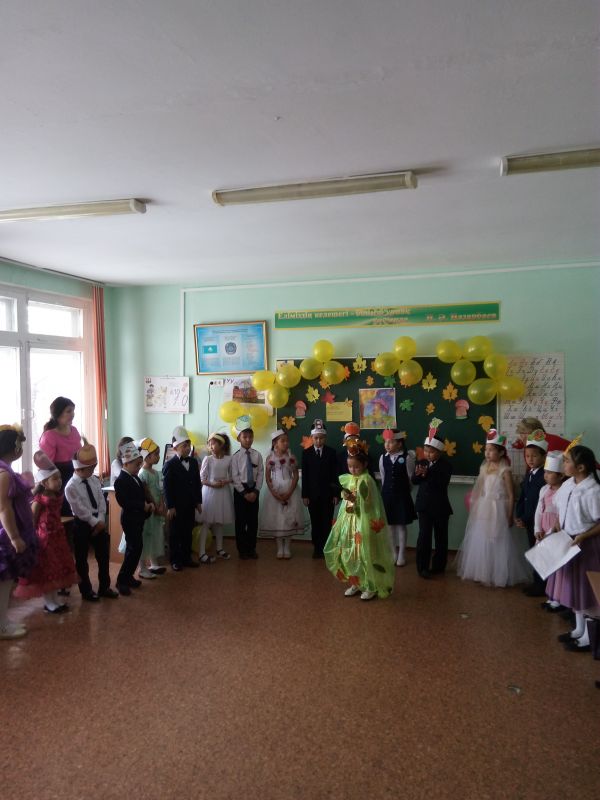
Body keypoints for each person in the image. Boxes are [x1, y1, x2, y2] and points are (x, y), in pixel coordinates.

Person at [456, 429, 530, 587]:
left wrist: (509, 515)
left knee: (498, 538)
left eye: (491, 450)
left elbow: (511, 495)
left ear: (501, 452)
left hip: (499, 509)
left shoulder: (505, 470)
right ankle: (482, 571)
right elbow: (479, 490)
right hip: (485, 508)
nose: (487, 453)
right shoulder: (484, 468)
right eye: (486, 450)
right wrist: (476, 508)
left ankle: (499, 574)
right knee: (482, 537)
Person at [324, 448, 395, 601]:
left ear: (364, 464)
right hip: (349, 521)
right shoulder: (350, 478)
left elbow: (369, 503)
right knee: (351, 554)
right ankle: (356, 582)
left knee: (365, 554)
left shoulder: (366, 480)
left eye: (356, 467)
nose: (353, 470)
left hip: (363, 522)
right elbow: (347, 500)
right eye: (350, 466)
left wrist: (355, 499)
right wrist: (346, 495)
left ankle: (371, 586)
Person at [13, 451, 77, 613]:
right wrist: (31, 538)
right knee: (48, 571)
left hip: (57, 537)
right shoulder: (39, 500)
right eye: (55, 479)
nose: (60, 481)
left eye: (60, 478)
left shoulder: (57, 496)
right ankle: (49, 603)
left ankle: (54, 600)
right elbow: (32, 520)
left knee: (57, 570)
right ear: (44, 482)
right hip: (45, 540)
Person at [553, 443, 600, 652]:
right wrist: (557, 523)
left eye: (567, 461)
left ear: (581, 467)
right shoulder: (568, 484)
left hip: (587, 544)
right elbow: (560, 507)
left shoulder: (593, 490)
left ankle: (589, 638)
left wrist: (584, 536)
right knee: (575, 587)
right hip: (570, 542)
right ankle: (579, 630)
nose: (563, 464)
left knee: (587, 590)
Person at [64, 440, 118, 602]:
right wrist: (95, 522)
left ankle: (104, 587)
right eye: (90, 468)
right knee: (81, 559)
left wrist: (101, 519)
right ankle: (86, 591)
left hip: (98, 522)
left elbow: (101, 500)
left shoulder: (94, 480)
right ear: (79, 469)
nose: (93, 471)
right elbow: (80, 509)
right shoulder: (70, 487)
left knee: (103, 556)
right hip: (82, 524)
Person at [0, 424, 37, 639]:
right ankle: (1, 625)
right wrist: (14, 537)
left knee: (6, 582)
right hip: (6, 537)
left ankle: (3, 621)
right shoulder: (4, 474)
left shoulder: (6, 471)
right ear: (14, 448)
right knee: (4, 582)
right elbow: (3, 508)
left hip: (10, 534)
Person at [411, 420, 453, 578]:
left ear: (440, 452)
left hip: (441, 507)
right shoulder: (421, 462)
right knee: (424, 537)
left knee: (441, 538)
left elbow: (441, 483)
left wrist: (427, 474)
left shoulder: (446, 466)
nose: (428, 454)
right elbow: (414, 481)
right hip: (424, 507)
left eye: (432, 452)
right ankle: (422, 567)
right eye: (426, 451)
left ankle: (439, 566)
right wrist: (418, 475)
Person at [114, 442, 154, 596]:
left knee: (136, 549)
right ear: (126, 463)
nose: (139, 467)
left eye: (140, 464)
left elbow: (142, 494)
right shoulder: (120, 481)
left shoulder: (135, 477)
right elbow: (124, 502)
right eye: (137, 465)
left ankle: (128, 576)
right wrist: (142, 505)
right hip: (130, 520)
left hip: (138, 518)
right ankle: (121, 581)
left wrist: (149, 503)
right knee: (132, 550)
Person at [162, 426, 202, 571]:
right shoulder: (170, 465)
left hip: (190, 504)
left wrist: (198, 501)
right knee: (175, 533)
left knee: (188, 531)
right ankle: (175, 559)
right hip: (177, 506)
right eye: (184, 446)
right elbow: (167, 488)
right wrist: (170, 506)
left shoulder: (193, 462)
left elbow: (197, 483)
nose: (187, 448)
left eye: (188, 445)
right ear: (176, 448)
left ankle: (186, 557)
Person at [260, 430, 304, 559]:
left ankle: (287, 547)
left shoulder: (291, 457)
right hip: (275, 490)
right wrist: (274, 493)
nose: (286, 443)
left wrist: (289, 492)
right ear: (275, 443)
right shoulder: (270, 458)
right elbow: (267, 477)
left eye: (287, 440)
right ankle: (280, 547)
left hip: (290, 489)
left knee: (289, 518)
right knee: (278, 519)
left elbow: (295, 476)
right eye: (282, 441)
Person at [516, 430, 549, 597]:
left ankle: (542, 586)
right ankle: (537, 582)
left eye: (534, 456)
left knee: (541, 554)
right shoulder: (530, 473)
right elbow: (524, 497)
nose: (530, 459)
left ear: (544, 457)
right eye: (527, 456)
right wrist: (520, 515)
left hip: (539, 523)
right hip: (528, 520)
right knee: (534, 552)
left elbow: (539, 503)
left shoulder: (545, 475)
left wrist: (527, 517)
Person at [301, 419, 339, 559]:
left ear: (325, 438)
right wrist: (305, 495)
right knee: (315, 522)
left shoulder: (331, 453)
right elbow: (305, 476)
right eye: (316, 438)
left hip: (328, 495)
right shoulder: (306, 453)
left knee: (326, 522)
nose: (318, 441)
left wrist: (336, 494)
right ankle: (317, 548)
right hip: (312, 495)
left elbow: (335, 475)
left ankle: (326, 548)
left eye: (321, 438)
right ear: (312, 438)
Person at [534, 451, 567, 612]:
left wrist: (550, 532)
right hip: (543, 530)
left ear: (561, 475)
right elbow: (538, 511)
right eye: (545, 472)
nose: (545, 475)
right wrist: (537, 529)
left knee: (558, 567)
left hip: (555, 531)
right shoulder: (544, 489)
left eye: (550, 472)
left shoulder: (564, 491)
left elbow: (562, 515)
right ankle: (551, 596)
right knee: (547, 566)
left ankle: (559, 599)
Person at [378, 428, 416, 567]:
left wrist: (404, 491)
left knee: (401, 526)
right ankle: (393, 553)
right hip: (387, 496)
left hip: (401, 496)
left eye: (391, 442)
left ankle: (402, 555)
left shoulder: (407, 458)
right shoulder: (383, 458)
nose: (387, 445)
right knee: (390, 527)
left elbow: (410, 478)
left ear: (399, 444)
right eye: (386, 442)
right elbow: (383, 478)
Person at [39, 396, 81, 515]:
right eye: (68, 411)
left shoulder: (74, 431)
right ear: (58, 414)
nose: (72, 414)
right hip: (59, 480)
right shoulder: (49, 436)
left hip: (77, 477)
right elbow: (47, 467)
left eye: (73, 411)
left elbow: (79, 454)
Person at [231, 416, 264, 560]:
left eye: (250, 436)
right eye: (245, 437)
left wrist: (256, 491)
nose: (248, 439)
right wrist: (244, 493)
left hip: (254, 490)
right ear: (239, 438)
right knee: (240, 521)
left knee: (252, 522)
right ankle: (242, 550)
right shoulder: (235, 457)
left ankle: (251, 548)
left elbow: (260, 474)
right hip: (240, 492)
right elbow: (235, 477)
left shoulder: (257, 455)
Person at [199, 432, 234, 562]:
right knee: (206, 523)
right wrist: (212, 484)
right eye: (209, 444)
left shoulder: (229, 459)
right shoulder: (207, 459)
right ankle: (202, 552)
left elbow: (232, 476)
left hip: (223, 493)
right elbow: (202, 478)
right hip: (210, 493)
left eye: (213, 444)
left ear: (221, 444)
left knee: (219, 523)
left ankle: (220, 549)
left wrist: (226, 481)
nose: (211, 446)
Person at [137, 437, 167, 577]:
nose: (158, 457)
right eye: (156, 454)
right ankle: (142, 568)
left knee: (154, 536)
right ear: (147, 456)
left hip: (157, 510)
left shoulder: (156, 473)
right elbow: (146, 493)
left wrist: (161, 504)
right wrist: (155, 506)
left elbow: (160, 491)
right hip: (149, 511)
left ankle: (154, 563)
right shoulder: (142, 474)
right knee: (145, 537)